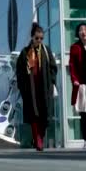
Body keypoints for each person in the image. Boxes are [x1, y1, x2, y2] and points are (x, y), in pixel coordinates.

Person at [16, 22, 58, 152]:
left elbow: (53, 67)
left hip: (44, 88)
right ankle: (38, 140)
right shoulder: (25, 53)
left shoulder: (46, 50)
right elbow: (20, 72)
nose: (39, 41)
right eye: (37, 38)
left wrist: (51, 81)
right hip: (31, 89)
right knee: (34, 115)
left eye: (41, 38)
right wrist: (23, 88)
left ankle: (40, 136)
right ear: (32, 37)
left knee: (45, 115)